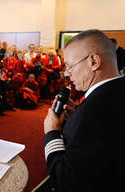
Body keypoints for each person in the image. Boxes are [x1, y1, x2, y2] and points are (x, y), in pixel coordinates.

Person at [43, 29, 124, 191]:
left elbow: (66, 180)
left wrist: (51, 134)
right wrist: (76, 117)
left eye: (70, 65)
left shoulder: (92, 113)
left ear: (94, 61)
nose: (67, 73)